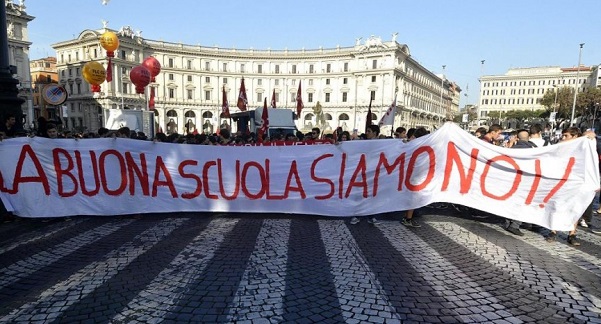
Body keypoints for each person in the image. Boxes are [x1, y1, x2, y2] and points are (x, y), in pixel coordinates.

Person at [545, 127, 595, 245]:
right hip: (561, 182)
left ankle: (572, 234)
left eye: (566, 136)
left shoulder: (582, 146)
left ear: (575, 137)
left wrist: (589, 135)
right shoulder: (560, 147)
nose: (563, 138)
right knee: (557, 206)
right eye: (563, 135)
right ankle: (553, 231)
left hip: (576, 183)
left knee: (575, 208)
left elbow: (591, 135)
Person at [504, 129, 536, 236]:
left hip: (512, 179)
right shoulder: (533, 149)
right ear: (528, 138)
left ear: (517, 138)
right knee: (522, 203)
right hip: (525, 181)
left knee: (510, 201)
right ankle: (515, 225)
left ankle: (508, 223)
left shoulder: (512, 149)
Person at [350, 124, 381, 225]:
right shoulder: (363, 143)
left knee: (371, 196)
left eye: (369, 131)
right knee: (360, 194)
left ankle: (371, 216)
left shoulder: (383, 143)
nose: (366, 133)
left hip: (374, 173)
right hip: (362, 172)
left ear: (375, 133)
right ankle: (356, 215)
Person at [402, 127, 430, 228]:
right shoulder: (422, 145)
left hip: (411, 174)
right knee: (414, 198)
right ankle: (408, 218)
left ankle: (407, 217)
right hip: (416, 175)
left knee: (412, 197)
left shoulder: (411, 144)